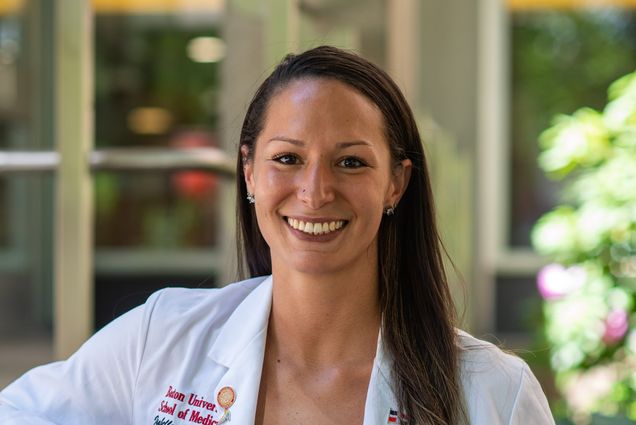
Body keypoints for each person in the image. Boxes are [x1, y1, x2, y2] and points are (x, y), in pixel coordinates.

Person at [0, 45, 555, 425]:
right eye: (287, 158)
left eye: (352, 163)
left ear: (396, 183)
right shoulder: (161, 338)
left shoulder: (492, 394)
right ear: (248, 172)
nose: (314, 192)